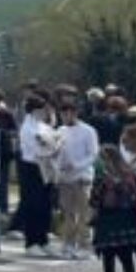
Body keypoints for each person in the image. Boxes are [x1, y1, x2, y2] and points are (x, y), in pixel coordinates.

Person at [90, 145, 136, 272]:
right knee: (126, 257)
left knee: (108, 257)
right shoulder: (131, 175)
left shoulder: (103, 178)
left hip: (108, 221)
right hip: (129, 221)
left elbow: (94, 200)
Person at [52, 99, 99, 258]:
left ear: (75, 113)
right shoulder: (60, 130)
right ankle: (68, 244)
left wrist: (77, 165)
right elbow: (56, 152)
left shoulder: (88, 131)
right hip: (65, 178)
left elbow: (93, 154)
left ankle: (85, 245)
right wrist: (58, 166)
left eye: (67, 113)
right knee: (68, 213)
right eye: (62, 114)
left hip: (82, 177)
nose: (65, 117)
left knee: (84, 212)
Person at [10, 95, 57, 257]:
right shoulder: (27, 128)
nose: (46, 112)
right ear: (35, 110)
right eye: (43, 109)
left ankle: (43, 240)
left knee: (45, 204)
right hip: (31, 167)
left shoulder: (43, 126)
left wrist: (53, 145)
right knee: (33, 204)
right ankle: (32, 242)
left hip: (46, 166)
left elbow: (53, 140)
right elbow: (38, 149)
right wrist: (51, 147)